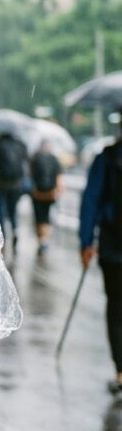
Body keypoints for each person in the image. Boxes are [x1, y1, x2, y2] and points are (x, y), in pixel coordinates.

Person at [80, 136, 122, 395]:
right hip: (112, 248)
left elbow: (91, 201)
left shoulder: (107, 158)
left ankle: (120, 373)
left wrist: (86, 242)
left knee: (116, 309)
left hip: (113, 248)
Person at [0, 131, 29, 250]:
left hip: (2, 183)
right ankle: (15, 231)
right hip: (16, 185)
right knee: (13, 210)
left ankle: (3, 234)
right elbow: (25, 163)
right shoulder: (20, 145)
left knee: (1, 210)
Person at [29, 141, 63, 255]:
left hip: (37, 193)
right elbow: (59, 176)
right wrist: (58, 190)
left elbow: (29, 174)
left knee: (38, 217)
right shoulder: (54, 159)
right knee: (46, 217)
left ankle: (41, 240)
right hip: (50, 193)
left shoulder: (35, 158)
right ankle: (44, 240)